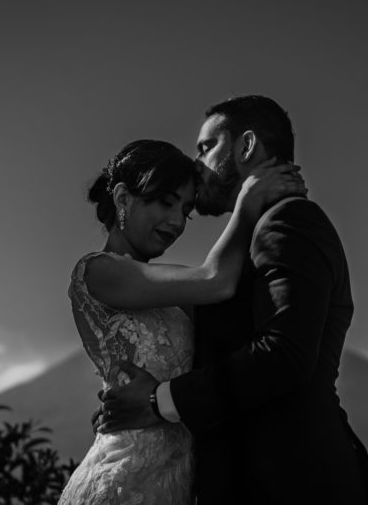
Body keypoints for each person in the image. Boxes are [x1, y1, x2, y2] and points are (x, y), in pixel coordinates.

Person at [96, 96, 368, 504]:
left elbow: (284, 356)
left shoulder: (288, 222)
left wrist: (158, 402)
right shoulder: (248, 239)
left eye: (206, 147)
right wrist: (123, 403)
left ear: (246, 146)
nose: (196, 164)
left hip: (291, 480)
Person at [58, 139, 305, 505]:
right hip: (124, 480)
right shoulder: (97, 270)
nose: (176, 222)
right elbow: (216, 280)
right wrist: (248, 202)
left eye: (186, 211)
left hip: (180, 479)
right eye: (165, 202)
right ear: (123, 197)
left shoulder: (172, 292)